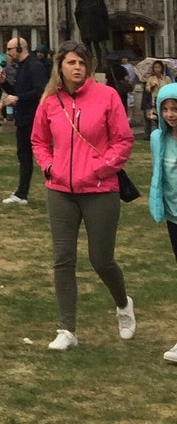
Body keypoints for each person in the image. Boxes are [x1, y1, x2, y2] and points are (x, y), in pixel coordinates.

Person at [31, 41, 135, 352]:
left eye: (82, 62)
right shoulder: (50, 101)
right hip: (60, 191)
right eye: (72, 62)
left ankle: (122, 302)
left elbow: (123, 141)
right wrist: (49, 166)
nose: (78, 68)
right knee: (63, 260)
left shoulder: (107, 96)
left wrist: (101, 169)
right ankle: (67, 329)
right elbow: (38, 140)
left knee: (101, 259)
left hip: (100, 190)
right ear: (60, 67)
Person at [147, 84, 177, 364]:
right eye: (165, 109)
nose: (170, 114)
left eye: (175, 109)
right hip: (173, 216)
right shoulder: (158, 139)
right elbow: (159, 174)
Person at [0, 35, 44, 206]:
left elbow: (40, 91)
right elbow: (16, 91)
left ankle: (23, 192)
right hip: (23, 118)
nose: (7, 53)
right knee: (24, 156)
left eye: (9, 49)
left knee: (39, 156)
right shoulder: (21, 67)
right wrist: (4, 84)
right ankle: (22, 192)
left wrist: (17, 98)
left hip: (33, 119)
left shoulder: (35, 67)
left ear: (19, 49)